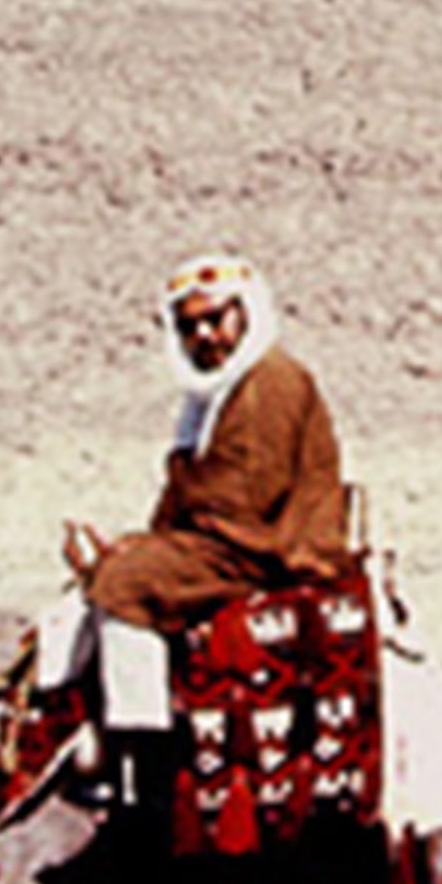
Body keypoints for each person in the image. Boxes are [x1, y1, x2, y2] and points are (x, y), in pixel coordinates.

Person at [65, 253, 352, 630]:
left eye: (214, 319)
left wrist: (150, 549)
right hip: (225, 551)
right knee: (114, 573)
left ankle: (137, 693)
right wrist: (144, 543)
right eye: (188, 326)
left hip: (271, 553)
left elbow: (245, 501)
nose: (202, 335)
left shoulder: (272, 380)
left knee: (125, 585)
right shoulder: (209, 398)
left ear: (247, 314)